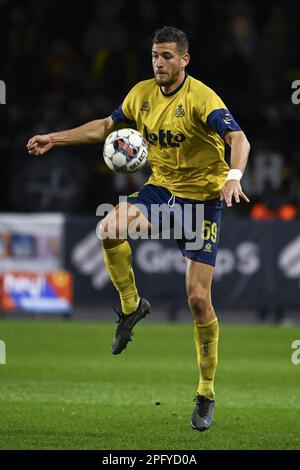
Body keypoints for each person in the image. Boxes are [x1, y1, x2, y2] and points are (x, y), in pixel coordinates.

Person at [27, 26, 250, 432]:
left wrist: (234, 176)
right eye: (154, 56)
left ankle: (205, 392)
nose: (159, 63)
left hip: (203, 203)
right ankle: (132, 307)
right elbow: (105, 127)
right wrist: (55, 139)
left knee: (199, 302)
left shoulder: (202, 99)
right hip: (161, 191)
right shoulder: (140, 94)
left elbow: (239, 137)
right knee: (109, 228)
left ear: (184, 60)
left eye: (167, 56)